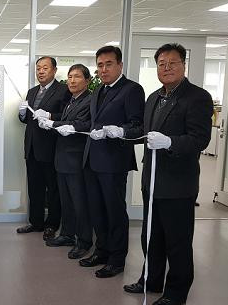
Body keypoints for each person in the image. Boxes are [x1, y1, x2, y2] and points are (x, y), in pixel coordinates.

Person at [123, 43, 213, 305]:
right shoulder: (153, 97)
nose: (167, 68)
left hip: (178, 183)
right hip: (152, 180)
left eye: (172, 63)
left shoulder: (197, 97)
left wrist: (170, 142)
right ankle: (151, 280)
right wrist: (121, 132)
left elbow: (200, 139)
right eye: (161, 63)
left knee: (177, 240)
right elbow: (145, 132)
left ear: (183, 65)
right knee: (151, 236)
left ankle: (177, 291)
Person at [80, 46, 145, 278]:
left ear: (120, 65)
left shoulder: (132, 90)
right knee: (97, 209)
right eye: (100, 65)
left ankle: (117, 259)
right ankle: (102, 251)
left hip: (114, 161)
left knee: (114, 211)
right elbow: (92, 121)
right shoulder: (99, 89)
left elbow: (139, 126)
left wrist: (119, 130)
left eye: (109, 64)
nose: (104, 69)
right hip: (92, 158)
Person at [38, 64, 92, 259]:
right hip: (62, 159)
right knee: (66, 201)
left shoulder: (89, 100)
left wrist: (53, 123)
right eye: (70, 77)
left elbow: (82, 124)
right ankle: (67, 234)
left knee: (80, 202)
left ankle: (84, 240)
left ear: (87, 81)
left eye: (77, 77)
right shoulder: (72, 99)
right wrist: (50, 119)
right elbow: (66, 119)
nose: (72, 81)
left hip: (76, 160)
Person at [17, 56, 70, 241]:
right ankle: (36, 222)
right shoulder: (32, 91)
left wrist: (49, 115)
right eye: (38, 68)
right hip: (31, 147)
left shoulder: (63, 90)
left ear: (54, 70)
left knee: (53, 189)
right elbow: (27, 119)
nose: (40, 71)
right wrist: (22, 113)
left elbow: (66, 116)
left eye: (45, 68)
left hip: (51, 148)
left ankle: (52, 225)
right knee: (34, 187)